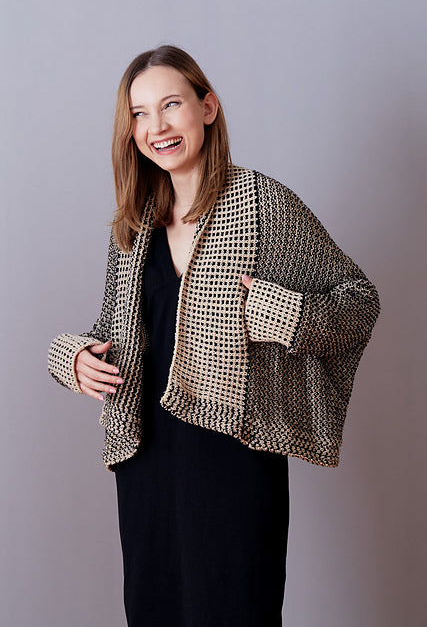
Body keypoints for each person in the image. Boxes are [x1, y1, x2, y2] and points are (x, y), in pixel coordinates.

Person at [48, 44, 381, 627]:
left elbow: (359, 302)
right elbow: (112, 331)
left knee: (233, 609)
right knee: (154, 611)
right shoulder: (134, 226)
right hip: (145, 457)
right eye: (140, 113)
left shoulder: (263, 204)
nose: (157, 127)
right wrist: (70, 358)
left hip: (234, 457)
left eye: (171, 105)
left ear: (207, 107)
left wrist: (284, 315)